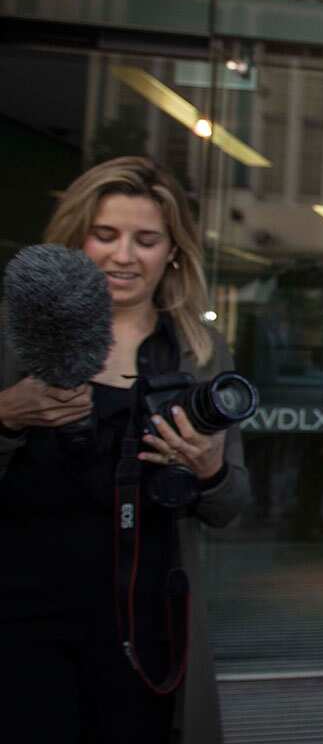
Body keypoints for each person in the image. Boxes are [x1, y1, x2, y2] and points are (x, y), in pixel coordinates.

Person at [0, 156, 250, 743]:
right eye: (105, 235)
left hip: (145, 618)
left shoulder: (198, 350)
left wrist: (209, 467)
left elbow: (231, 503)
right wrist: (7, 414)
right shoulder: (14, 334)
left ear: (173, 252)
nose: (123, 256)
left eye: (146, 240)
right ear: (75, 237)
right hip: (21, 607)